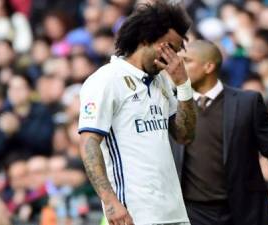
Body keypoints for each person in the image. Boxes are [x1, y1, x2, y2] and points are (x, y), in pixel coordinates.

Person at [78, 2, 196, 225]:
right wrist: (110, 201)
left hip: (174, 211)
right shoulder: (106, 80)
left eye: (176, 51)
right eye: (168, 47)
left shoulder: (162, 81)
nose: (173, 57)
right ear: (144, 40)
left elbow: (185, 135)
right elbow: (88, 143)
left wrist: (183, 85)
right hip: (134, 213)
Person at [173, 40, 268, 225]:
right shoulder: (170, 104)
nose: (178, 67)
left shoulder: (247, 103)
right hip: (192, 213)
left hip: (242, 211)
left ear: (208, 66)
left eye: (187, 61)